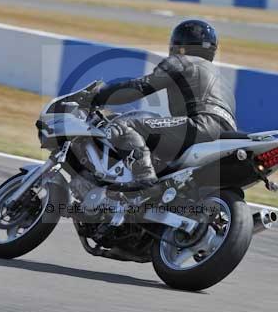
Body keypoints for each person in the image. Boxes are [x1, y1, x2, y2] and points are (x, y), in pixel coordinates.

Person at [90, 20, 237, 189]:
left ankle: (144, 180)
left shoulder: (181, 61)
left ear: (178, 45)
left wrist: (100, 96)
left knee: (123, 125)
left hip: (201, 125)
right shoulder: (221, 77)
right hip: (227, 133)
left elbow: (141, 87)